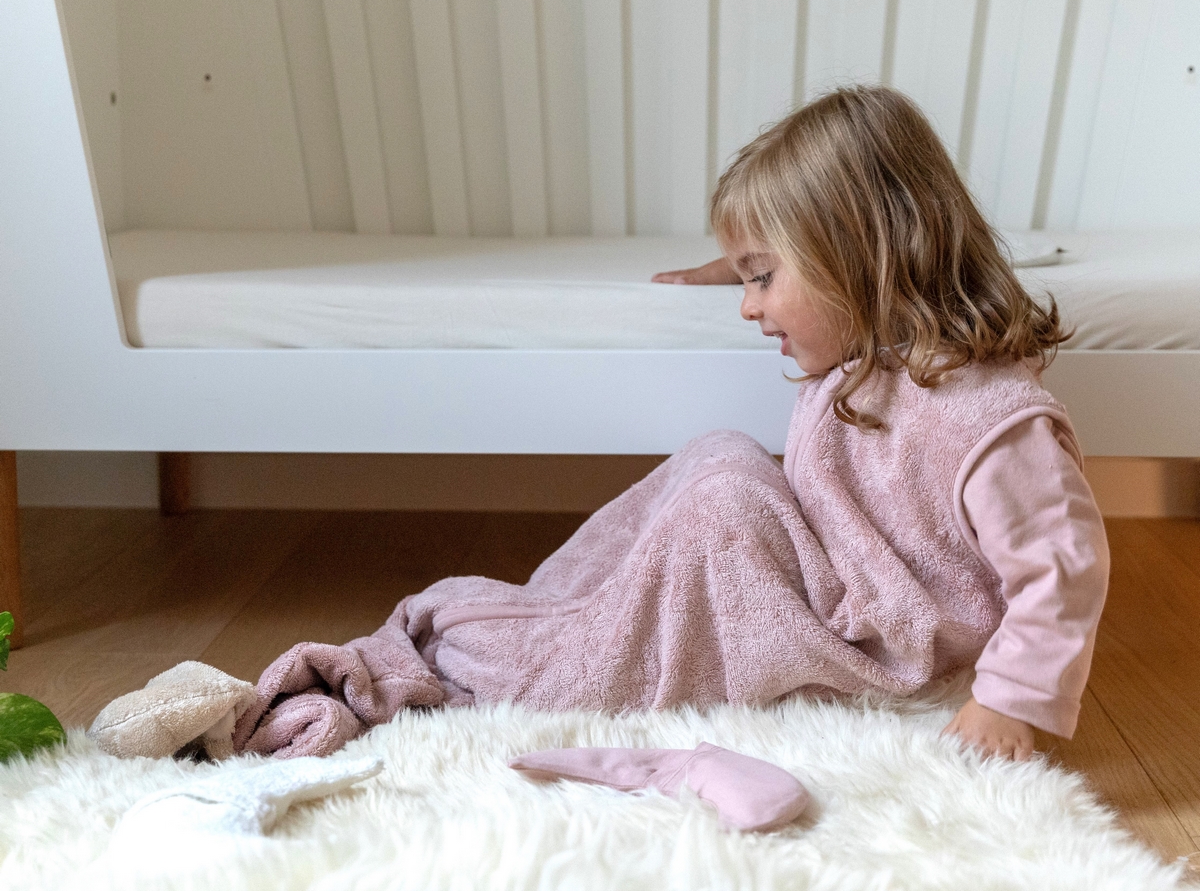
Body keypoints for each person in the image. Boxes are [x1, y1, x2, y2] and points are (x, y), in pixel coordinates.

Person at [233, 85, 1109, 764]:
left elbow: (1064, 568)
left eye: (763, 278)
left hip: (864, 636)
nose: (749, 305)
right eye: (746, 275)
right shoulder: (873, 347)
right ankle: (556, 616)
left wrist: (1009, 701)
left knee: (721, 507)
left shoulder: (988, 421)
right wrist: (738, 264)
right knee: (719, 459)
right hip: (824, 568)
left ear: (856, 259)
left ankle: (542, 664)